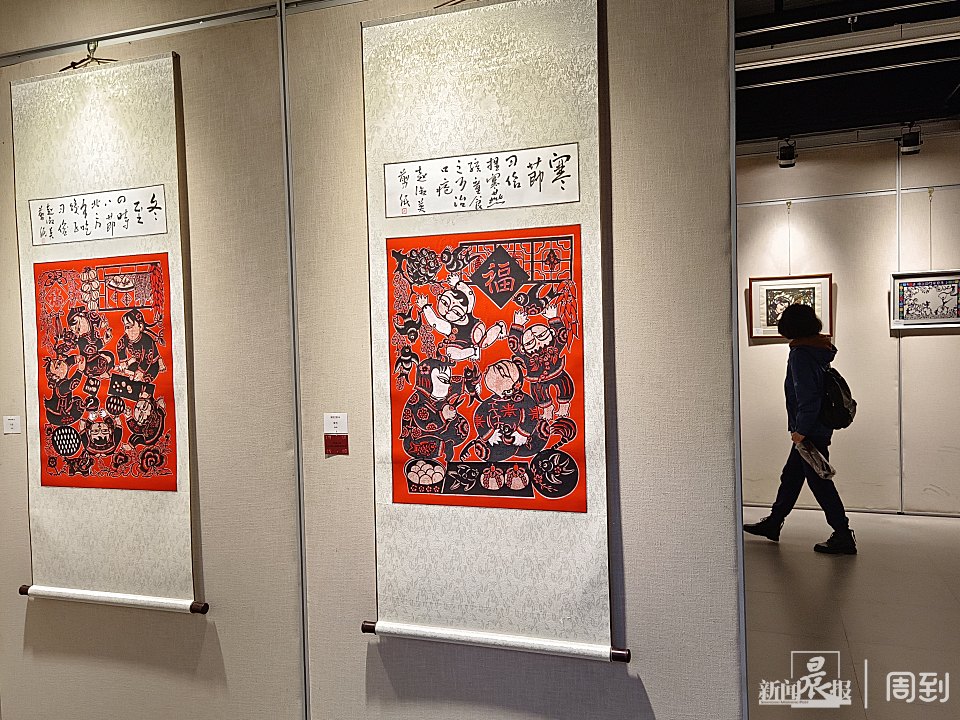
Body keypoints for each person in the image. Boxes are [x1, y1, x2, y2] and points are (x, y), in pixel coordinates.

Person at [744, 303, 857, 554]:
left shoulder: (801, 354)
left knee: (820, 482)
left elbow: (808, 397)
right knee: (792, 476)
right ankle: (774, 522)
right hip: (817, 427)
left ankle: (843, 533)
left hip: (810, 430)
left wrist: (801, 430)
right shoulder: (819, 349)